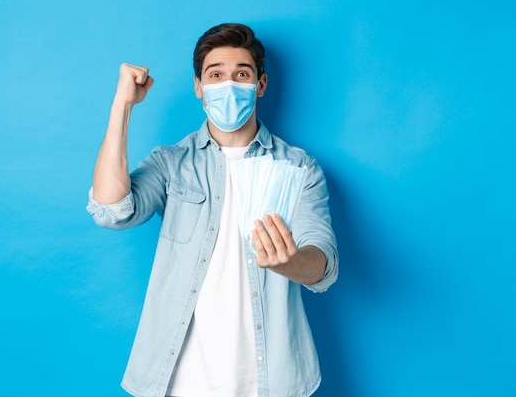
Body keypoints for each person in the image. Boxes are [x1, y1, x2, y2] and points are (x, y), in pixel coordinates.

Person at [87, 23, 338, 397]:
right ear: (199, 87)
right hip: (180, 380)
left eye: (242, 74)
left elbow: (323, 265)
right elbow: (111, 210)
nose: (229, 84)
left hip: (271, 380)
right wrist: (122, 105)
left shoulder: (298, 167)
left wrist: (287, 262)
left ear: (261, 85)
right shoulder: (172, 163)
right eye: (215, 74)